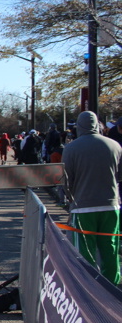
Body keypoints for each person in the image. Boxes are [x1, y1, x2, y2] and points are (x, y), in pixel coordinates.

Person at [62, 111, 122, 285]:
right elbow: (119, 176)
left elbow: (66, 180)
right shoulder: (115, 146)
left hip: (83, 206)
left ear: (79, 126)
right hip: (111, 205)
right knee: (110, 247)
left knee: (84, 250)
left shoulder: (71, 148)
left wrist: (70, 198)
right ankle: (111, 287)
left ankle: (87, 285)